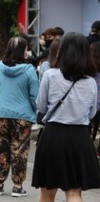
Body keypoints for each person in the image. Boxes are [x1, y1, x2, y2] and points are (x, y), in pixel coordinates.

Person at [32, 32, 100, 201]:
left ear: (62, 51)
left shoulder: (50, 75)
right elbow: (92, 113)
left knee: (47, 191)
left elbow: (40, 106)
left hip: (53, 135)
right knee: (74, 191)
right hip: (80, 137)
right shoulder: (91, 82)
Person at [0, 36, 39, 197]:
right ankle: (17, 186)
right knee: (20, 150)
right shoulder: (29, 70)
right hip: (23, 117)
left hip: (1, 114)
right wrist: (35, 112)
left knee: (0, 149)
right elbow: (34, 96)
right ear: (23, 51)